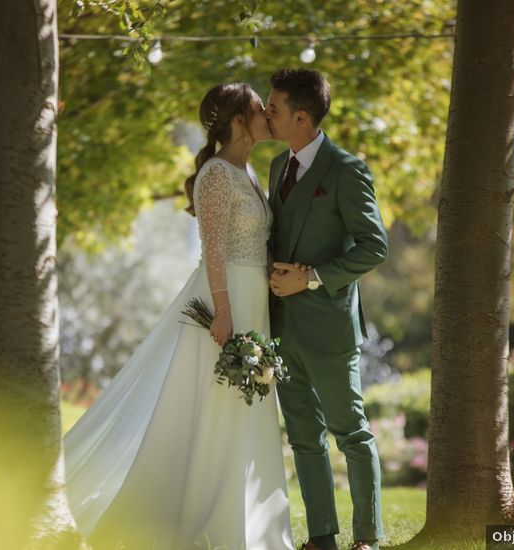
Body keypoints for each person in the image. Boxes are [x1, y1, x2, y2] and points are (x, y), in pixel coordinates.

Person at [63, 82, 293, 549]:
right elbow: (212, 251)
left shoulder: (249, 172)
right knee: (210, 406)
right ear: (238, 121)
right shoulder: (214, 175)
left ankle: (246, 518)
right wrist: (224, 314)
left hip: (254, 299)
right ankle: (193, 516)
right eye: (258, 109)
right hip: (221, 301)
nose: (269, 115)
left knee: (241, 409)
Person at [265, 68, 389, 550]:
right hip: (282, 328)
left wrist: (311, 277)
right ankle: (321, 538)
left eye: (273, 109)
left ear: (301, 116)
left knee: (351, 434)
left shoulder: (347, 169)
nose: (265, 114)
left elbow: (374, 246)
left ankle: (367, 539)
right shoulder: (278, 166)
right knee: (302, 438)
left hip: (330, 327)